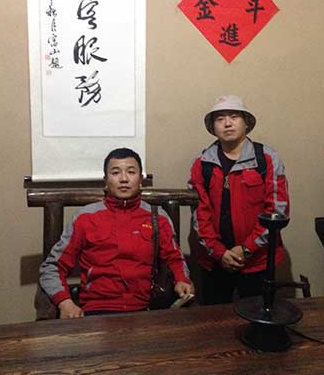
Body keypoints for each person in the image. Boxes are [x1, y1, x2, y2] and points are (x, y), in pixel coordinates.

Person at [40, 148, 192, 318]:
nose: (124, 179)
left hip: (144, 310)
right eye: (115, 172)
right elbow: (52, 267)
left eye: (131, 172)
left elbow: (174, 259)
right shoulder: (85, 217)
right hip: (96, 311)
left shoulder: (157, 217)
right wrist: (65, 302)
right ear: (106, 180)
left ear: (140, 179)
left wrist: (182, 280)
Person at [189, 95, 289, 305]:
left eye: (234, 117)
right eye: (220, 119)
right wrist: (219, 252)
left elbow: (277, 211)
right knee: (215, 319)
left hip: (259, 261)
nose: (227, 123)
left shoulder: (267, 158)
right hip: (215, 261)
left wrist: (246, 248)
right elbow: (199, 215)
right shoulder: (202, 163)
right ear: (213, 126)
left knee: (257, 316)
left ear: (246, 123)